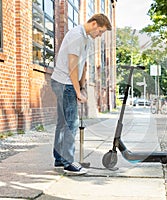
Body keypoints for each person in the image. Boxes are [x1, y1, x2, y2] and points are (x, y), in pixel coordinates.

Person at [51, 14, 112, 175]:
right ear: (93, 24)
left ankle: (59, 158)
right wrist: (77, 91)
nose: (100, 35)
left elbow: (83, 64)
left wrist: (82, 85)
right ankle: (68, 162)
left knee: (63, 122)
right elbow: (72, 66)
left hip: (67, 83)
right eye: (100, 31)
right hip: (64, 83)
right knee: (71, 122)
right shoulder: (77, 36)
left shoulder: (87, 39)